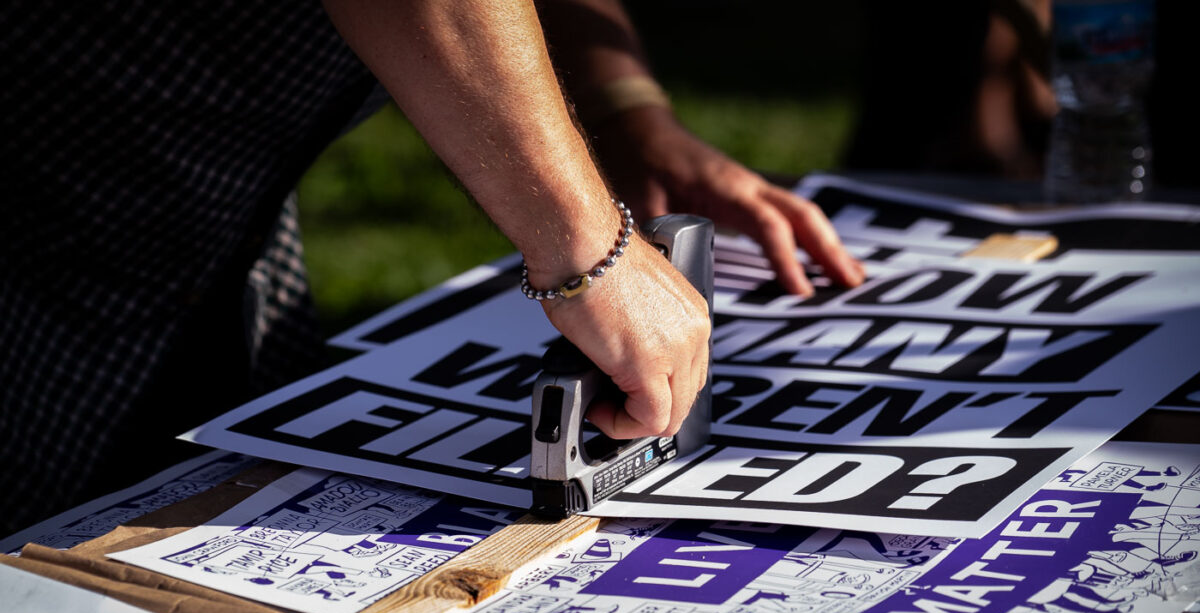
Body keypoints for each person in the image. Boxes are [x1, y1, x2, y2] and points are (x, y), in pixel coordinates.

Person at [0, 0, 862, 533]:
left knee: (231, 502)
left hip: (229, 200)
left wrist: (625, 107)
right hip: (53, 176)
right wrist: (587, 249)